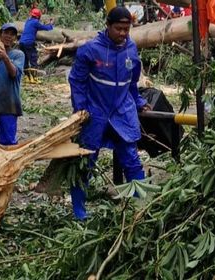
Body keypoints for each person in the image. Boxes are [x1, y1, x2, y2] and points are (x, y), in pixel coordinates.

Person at [68, 6, 152, 220]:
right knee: (85, 161)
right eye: (118, 29)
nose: (123, 33)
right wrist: (81, 108)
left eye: (127, 29)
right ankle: (79, 213)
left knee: (131, 159)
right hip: (95, 113)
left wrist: (139, 101)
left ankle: (140, 207)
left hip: (123, 112)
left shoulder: (131, 49)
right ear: (108, 26)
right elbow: (77, 80)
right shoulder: (90, 50)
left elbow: (132, 83)